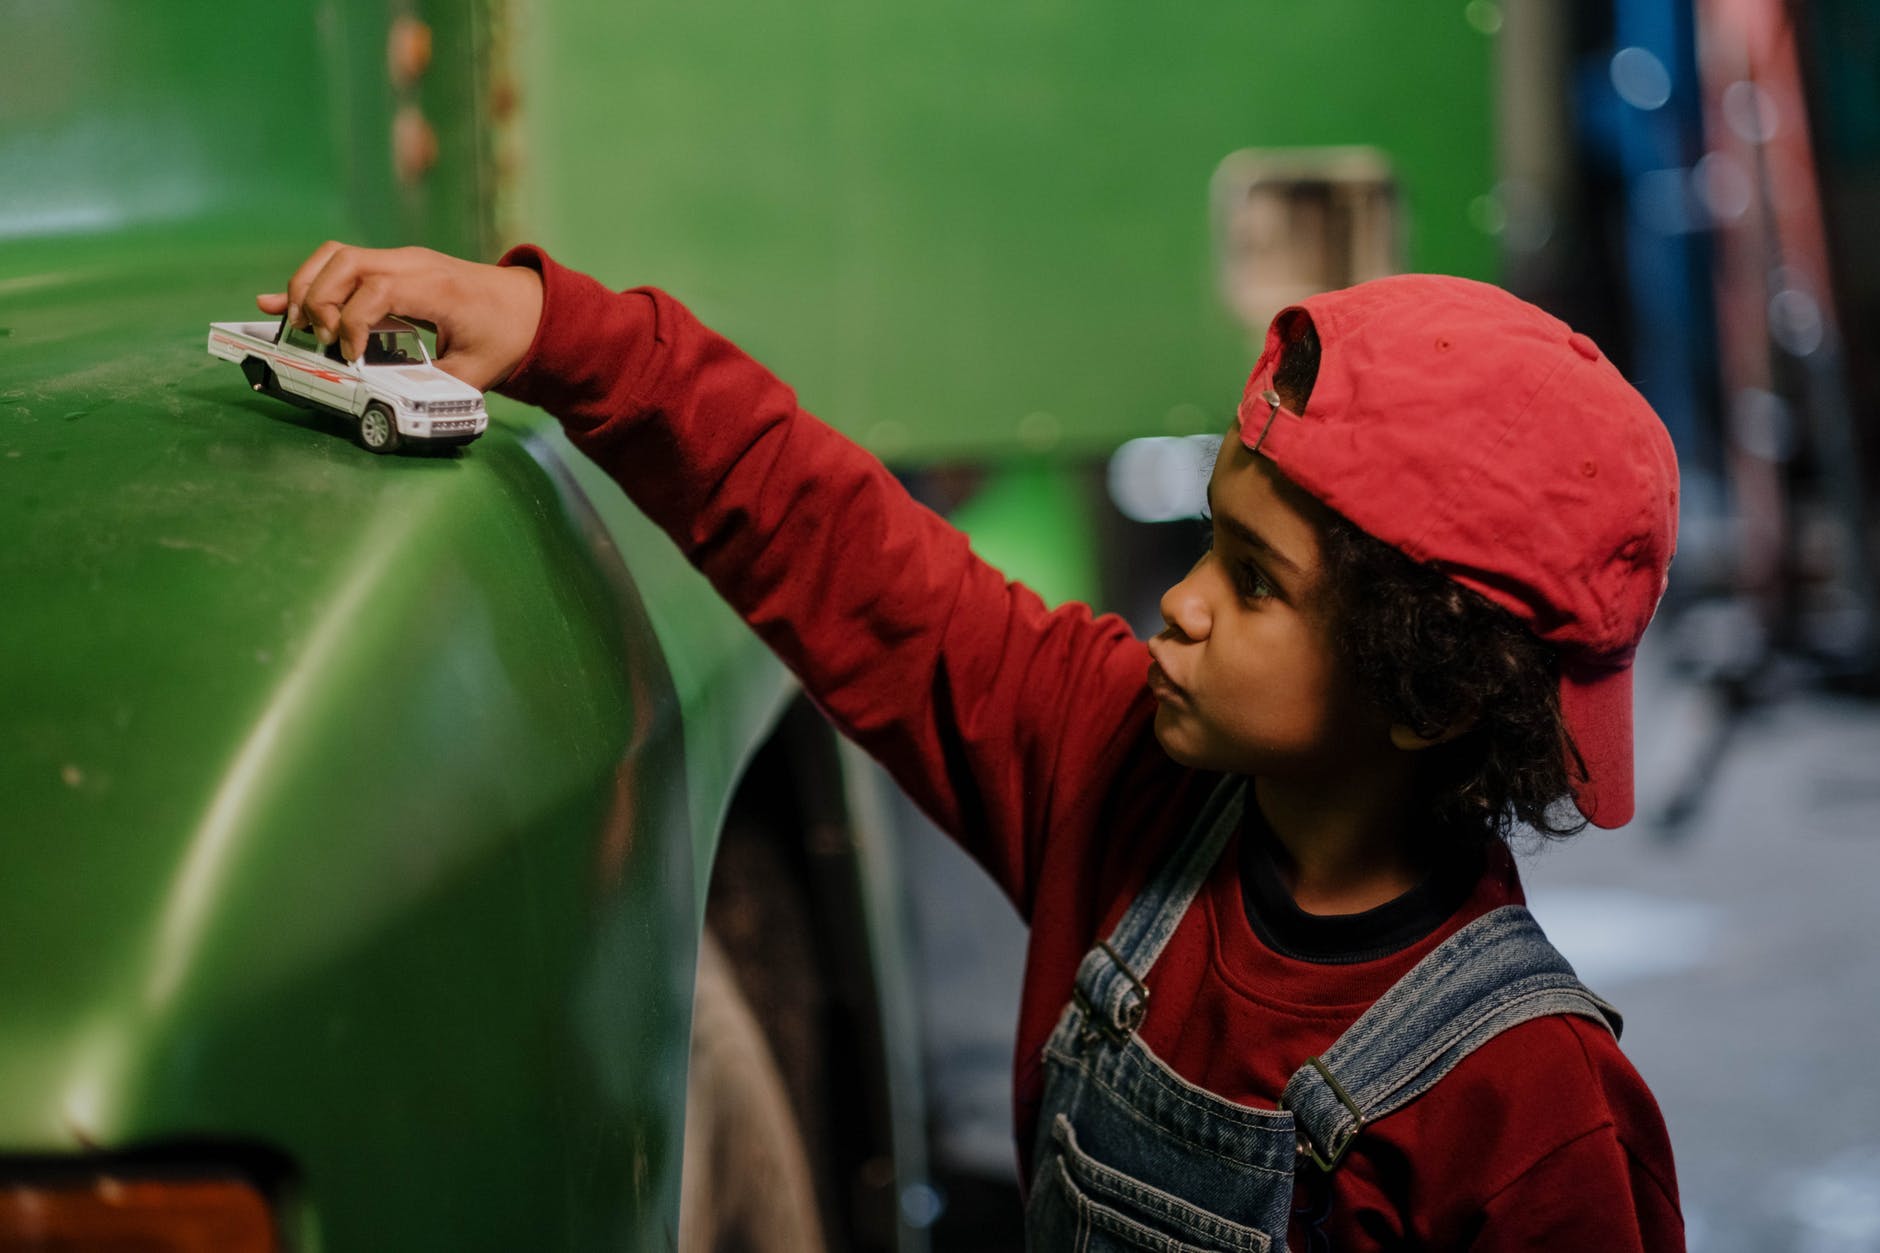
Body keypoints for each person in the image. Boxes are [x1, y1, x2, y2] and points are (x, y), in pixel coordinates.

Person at [260, 241, 1684, 1250]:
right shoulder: (1116, 760)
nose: (1178, 604)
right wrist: (557, 328)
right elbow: (839, 544)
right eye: (1210, 538)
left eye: (1255, 583)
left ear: (1428, 688)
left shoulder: (1537, 1115)